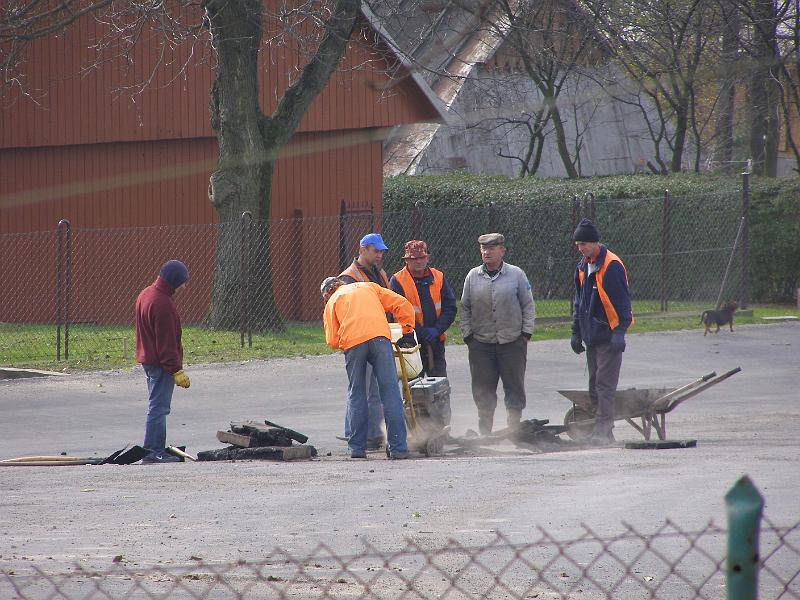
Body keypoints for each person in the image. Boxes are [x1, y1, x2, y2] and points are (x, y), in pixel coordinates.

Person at [321, 277, 416, 459]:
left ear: (326, 294)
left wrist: (347, 344)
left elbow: (332, 340)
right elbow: (402, 304)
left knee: (356, 392)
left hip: (353, 343)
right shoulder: (369, 286)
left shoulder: (332, 301)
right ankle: (398, 448)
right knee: (389, 391)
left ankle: (357, 448)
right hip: (380, 337)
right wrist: (407, 330)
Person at [461, 233, 535, 434]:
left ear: (502, 250)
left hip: (512, 342)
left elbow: (528, 305)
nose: (487, 252)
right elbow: (465, 307)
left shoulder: (516, 275)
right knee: (483, 389)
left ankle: (514, 427)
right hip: (481, 344)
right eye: (484, 249)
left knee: (514, 386)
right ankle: (485, 430)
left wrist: (525, 334)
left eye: (492, 248)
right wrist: (468, 336)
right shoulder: (472, 276)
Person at [570, 218, 633, 446]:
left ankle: (604, 430)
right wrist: (576, 332)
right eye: (578, 244)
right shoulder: (582, 266)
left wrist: (620, 331)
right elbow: (579, 303)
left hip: (608, 336)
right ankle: (599, 427)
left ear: (595, 242)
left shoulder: (611, 265)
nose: (581, 248)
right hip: (591, 336)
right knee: (594, 384)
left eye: (584, 243)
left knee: (605, 385)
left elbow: (623, 302)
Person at [338, 232, 391, 449]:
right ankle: (358, 435)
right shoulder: (349, 277)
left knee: (374, 389)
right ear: (362, 250)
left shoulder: (380, 274)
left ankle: (371, 434)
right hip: (359, 339)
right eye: (375, 250)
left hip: (378, 336)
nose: (379, 255)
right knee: (360, 389)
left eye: (381, 251)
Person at [135, 260, 191, 464]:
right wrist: (176, 370)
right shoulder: (163, 304)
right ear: (174, 280)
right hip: (160, 364)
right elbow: (166, 344)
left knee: (156, 405)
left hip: (148, 360)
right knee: (159, 408)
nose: (184, 286)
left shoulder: (146, 294)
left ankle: (154, 449)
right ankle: (152, 451)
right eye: (183, 282)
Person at [389, 240, 456, 378]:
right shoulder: (397, 280)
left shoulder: (439, 277)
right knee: (414, 388)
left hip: (436, 340)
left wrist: (437, 329)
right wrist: (420, 332)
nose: (418, 261)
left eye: (421, 258)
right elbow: (396, 313)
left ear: (427, 258)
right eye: (414, 259)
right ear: (406, 260)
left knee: (439, 386)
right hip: (411, 344)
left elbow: (450, 308)